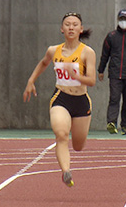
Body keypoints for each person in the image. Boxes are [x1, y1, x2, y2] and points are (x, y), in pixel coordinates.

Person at [23, 12, 96, 187]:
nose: (71, 27)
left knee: (78, 146)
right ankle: (66, 171)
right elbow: (43, 63)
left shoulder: (87, 52)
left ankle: (68, 162)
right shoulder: (53, 50)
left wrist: (76, 76)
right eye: (67, 24)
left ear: (81, 29)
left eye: (75, 24)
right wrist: (31, 81)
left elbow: (92, 81)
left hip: (81, 101)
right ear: (61, 29)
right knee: (61, 134)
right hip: (61, 98)